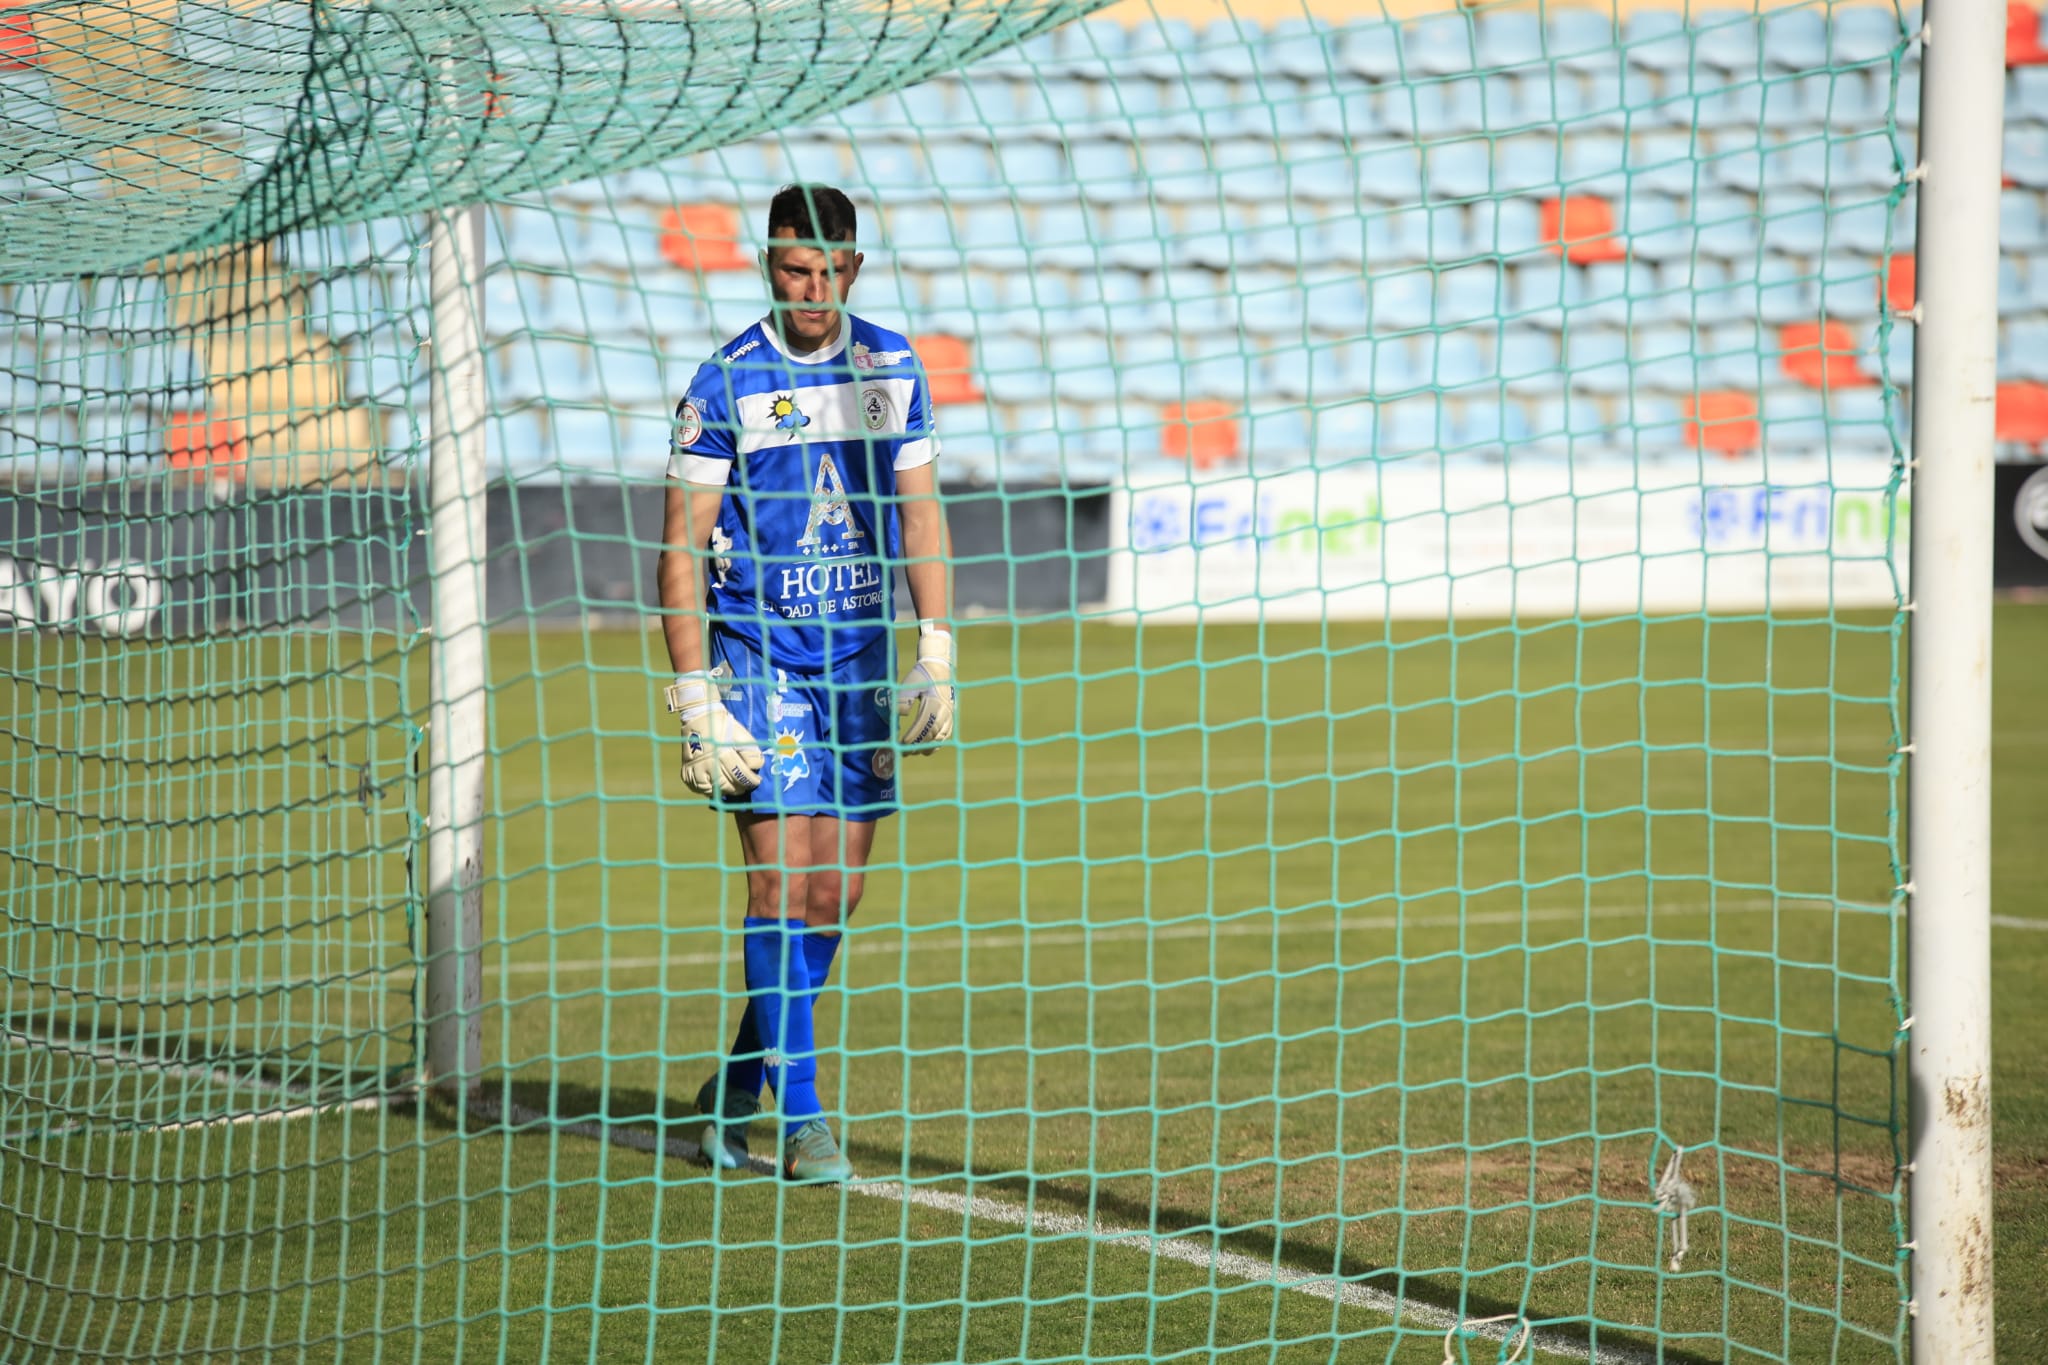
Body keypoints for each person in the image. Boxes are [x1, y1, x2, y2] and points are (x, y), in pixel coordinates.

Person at [655, 183, 954, 1184]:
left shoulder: (891, 366)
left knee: (837, 892)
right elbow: (680, 546)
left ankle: (738, 1084)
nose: (813, 288)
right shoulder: (726, 381)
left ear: (854, 268)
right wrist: (696, 699)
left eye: (830, 270)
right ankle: (805, 1120)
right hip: (761, 657)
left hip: (859, 659)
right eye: (794, 269)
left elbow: (920, 514)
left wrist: (936, 648)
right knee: (781, 883)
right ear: (768, 266)